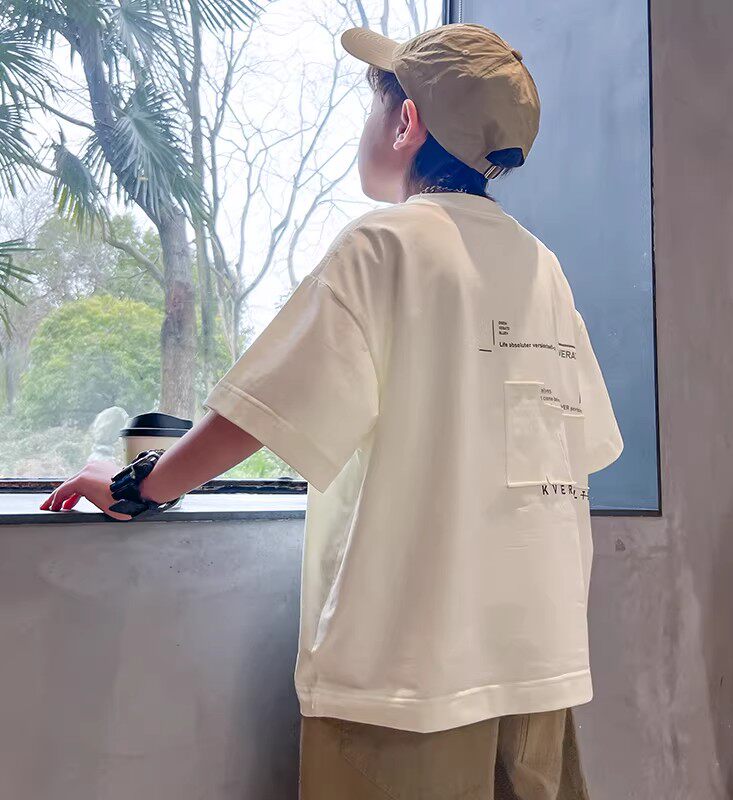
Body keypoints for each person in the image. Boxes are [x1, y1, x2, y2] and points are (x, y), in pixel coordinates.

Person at [41, 22, 623, 800]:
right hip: (538, 665)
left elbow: (260, 411)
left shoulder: (383, 246)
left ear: (407, 122)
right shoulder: (541, 267)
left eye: (375, 107)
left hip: (410, 675)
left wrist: (137, 486)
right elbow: (578, 446)